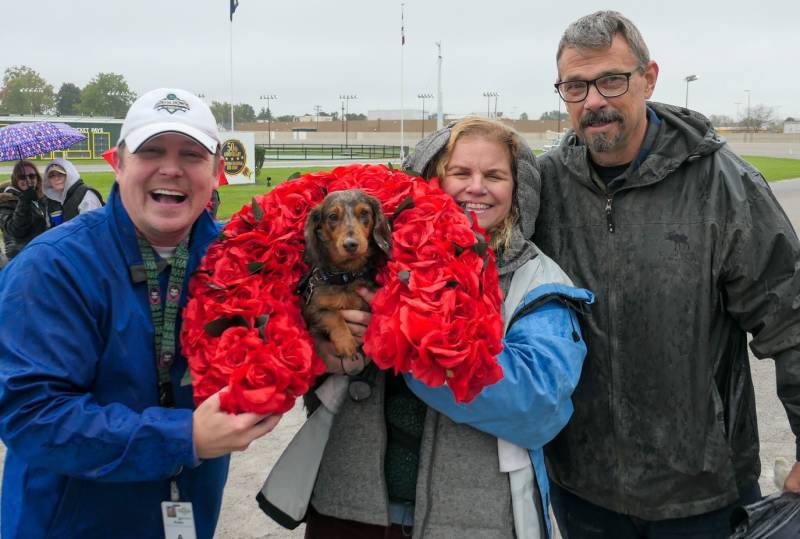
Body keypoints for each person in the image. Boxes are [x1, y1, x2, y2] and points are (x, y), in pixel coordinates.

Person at [533, 11, 800, 538]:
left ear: (649, 78)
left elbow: (790, 320)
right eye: (576, 87)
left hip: (702, 495)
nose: (594, 102)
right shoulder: (545, 185)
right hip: (582, 490)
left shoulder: (725, 185)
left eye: (611, 80)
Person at [0, 88, 282, 539]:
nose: (171, 167)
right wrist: (183, 436)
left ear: (216, 173)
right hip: (69, 524)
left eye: (191, 154)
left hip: (188, 510)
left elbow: (275, 353)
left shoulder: (239, 262)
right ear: (118, 162)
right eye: (151, 150)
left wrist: (323, 351)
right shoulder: (50, 267)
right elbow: (33, 415)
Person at [297, 117, 593, 539]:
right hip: (348, 511)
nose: (477, 187)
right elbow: (297, 357)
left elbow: (537, 405)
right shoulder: (373, 258)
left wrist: (406, 341)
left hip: (472, 521)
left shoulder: (538, 279)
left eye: (494, 175)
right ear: (430, 180)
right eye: (460, 173)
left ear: (518, 188)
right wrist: (320, 354)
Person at [0, 160, 60, 260]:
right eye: (22, 177)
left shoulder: (39, 197)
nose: (28, 179)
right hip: (20, 259)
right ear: (15, 180)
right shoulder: (5, 202)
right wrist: (24, 202)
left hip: (41, 253)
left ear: (37, 178)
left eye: (32, 176)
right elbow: (16, 231)